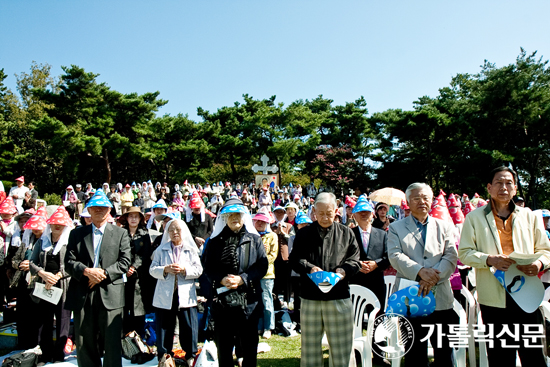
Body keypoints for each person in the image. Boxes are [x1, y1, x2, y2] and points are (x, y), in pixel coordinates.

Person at [458, 166, 550, 367]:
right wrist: (489, 259)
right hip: (494, 297)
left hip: (527, 292)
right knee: (500, 357)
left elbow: (546, 250)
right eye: (498, 182)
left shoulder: (529, 216)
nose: (504, 187)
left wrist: (539, 263)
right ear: (489, 188)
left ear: (515, 189)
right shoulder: (474, 218)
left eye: (509, 183)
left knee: (533, 356)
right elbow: (464, 254)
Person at [387, 182, 458, 367]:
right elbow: (394, 256)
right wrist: (420, 272)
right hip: (410, 296)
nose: (422, 202)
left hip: (441, 297)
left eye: (426, 198)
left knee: (444, 352)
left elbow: (451, 256)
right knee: (414, 353)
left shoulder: (445, 226)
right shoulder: (396, 227)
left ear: (432, 201)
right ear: (408, 202)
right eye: (416, 198)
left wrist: (433, 278)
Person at [290, 192, 361, 367]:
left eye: (329, 213)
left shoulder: (347, 233)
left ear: (336, 211)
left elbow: (355, 260)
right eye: (320, 213)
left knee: (341, 349)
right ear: (313, 211)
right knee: (310, 349)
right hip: (310, 297)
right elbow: (294, 259)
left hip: (338, 296)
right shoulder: (304, 233)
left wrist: (343, 271)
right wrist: (309, 268)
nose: (324, 217)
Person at [64, 191, 131, 367]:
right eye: (95, 208)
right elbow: (69, 262)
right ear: (88, 210)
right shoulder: (77, 234)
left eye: (103, 208)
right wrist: (86, 271)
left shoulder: (120, 233)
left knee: (112, 341)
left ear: (109, 209)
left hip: (111, 292)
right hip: (83, 292)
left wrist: (103, 274)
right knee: (84, 340)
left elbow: (125, 262)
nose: (99, 211)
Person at [202, 198, 268, 367]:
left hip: (249, 302)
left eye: (237, 214)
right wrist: (221, 279)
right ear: (224, 218)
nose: (234, 218)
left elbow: (262, 265)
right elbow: (208, 267)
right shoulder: (214, 242)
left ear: (244, 216)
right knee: (223, 348)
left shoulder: (255, 239)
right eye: (230, 215)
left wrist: (242, 279)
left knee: (249, 347)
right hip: (223, 304)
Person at [150, 219, 202, 366]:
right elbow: (152, 269)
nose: (174, 233)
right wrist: (165, 269)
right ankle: (164, 354)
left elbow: (199, 270)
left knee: (188, 324)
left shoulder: (191, 249)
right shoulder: (161, 249)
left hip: (185, 292)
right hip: (165, 293)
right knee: (164, 325)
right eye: (171, 230)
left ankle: (190, 354)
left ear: (183, 231)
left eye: (177, 230)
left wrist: (185, 270)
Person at [29, 206, 73, 364]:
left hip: (63, 286)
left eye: (61, 223)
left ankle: (59, 354)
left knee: (63, 321)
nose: (57, 226)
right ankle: (45, 353)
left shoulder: (70, 241)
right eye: (54, 223)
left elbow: (74, 264)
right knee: (44, 321)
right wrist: (43, 274)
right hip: (45, 285)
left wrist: (59, 275)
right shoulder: (42, 241)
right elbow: (32, 263)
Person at [349, 197, 389, 311]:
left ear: (372, 215)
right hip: (355, 281)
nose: (363, 214)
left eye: (367, 212)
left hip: (376, 282)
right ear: (354, 216)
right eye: (360, 212)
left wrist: (376, 264)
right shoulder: (348, 234)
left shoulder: (382, 235)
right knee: (355, 318)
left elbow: (389, 257)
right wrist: (357, 264)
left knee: (377, 317)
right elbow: (342, 256)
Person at [117, 207, 152, 336]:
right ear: (126, 218)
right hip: (122, 274)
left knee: (138, 307)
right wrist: (125, 268)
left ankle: (139, 338)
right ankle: (124, 337)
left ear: (140, 219)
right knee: (124, 306)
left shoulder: (145, 234)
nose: (133, 219)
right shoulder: (120, 233)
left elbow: (146, 254)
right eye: (130, 216)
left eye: (136, 216)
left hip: (140, 276)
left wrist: (134, 266)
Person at [252, 212, 278, 339]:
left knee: (267, 300)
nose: (260, 223)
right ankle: (259, 326)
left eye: (262, 221)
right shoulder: (252, 236)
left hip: (267, 274)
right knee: (256, 302)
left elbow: (273, 255)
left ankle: (268, 327)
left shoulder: (272, 236)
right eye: (257, 221)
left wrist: (262, 259)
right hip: (254, 274)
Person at [287, 212, 313, 331]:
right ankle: (297, 321)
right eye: (301, 224)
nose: (304, 226)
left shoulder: (312, 238)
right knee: (297, 298)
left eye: (306, 224)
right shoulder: (293, 238)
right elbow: (291, 254)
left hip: (309, 272)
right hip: (296, 272)